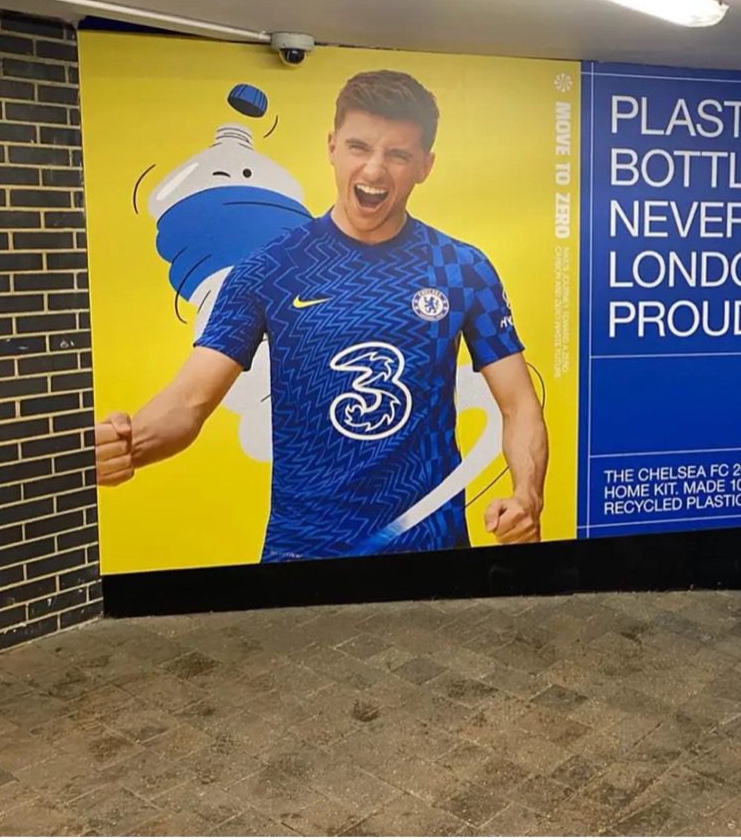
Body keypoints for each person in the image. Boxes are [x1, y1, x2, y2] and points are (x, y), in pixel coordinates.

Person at [94, 70, 549, 561]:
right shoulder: (269, 268)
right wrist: (129, 443)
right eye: (359, 147)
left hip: (430, 552)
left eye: (397, 154)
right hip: (302, 558)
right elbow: (190, 401)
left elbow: (517, 404)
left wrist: (528, 494)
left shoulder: (461, 268)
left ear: (425, 165)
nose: (374, 170)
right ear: (331, 146)